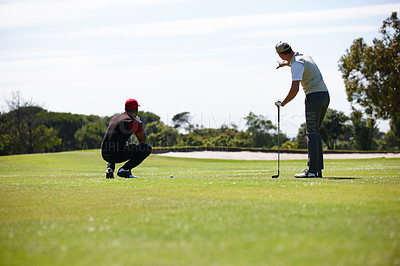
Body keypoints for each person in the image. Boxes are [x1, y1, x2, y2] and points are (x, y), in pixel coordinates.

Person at [275, 41, 330, 178]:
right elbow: (293, 62)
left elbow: (295, 90)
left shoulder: (296, 65)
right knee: (315, 132)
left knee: (311, 133)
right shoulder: (304, 56)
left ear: (281, 55)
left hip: (314, 97)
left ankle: (311, 171)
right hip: (325, 96)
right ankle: (317, 170)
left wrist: (283, 103)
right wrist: (285, 64)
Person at [101, 99, 152, 178]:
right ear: (136, 110)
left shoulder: (115, 117)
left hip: (104, 154)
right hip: (116, 155)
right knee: (146, 148)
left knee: (113, 146)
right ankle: (125, 170)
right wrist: (140, 124)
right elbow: (142, 140)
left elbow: (114, 137)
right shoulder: (133, 122)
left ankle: (110, 169)